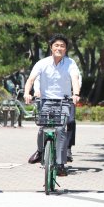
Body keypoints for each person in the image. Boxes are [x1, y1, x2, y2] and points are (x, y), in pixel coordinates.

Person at [24, 34, 81, 176]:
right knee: (42, 128)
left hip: (64, 101)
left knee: (61, 130)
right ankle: (40, 151)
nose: (59, 48)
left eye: (62, 46)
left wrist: (76, 94)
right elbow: (31, 79)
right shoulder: (42, 63)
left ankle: (61, 164)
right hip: (45, 101)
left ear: (66, 49)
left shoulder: (70, 63)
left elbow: (75, 78)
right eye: (56, 45)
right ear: (51, 47)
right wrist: (27, 93)